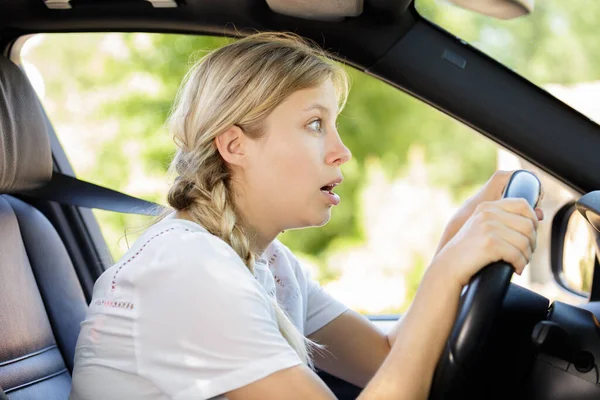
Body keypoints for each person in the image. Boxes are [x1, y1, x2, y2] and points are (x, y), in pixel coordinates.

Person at [69, 32, 544, 400]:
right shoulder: (189, 269)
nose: (342, 152)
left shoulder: (266, 262)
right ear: (235, 146)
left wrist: (453, 236)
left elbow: (384, 358)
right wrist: (447, 272)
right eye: (315, 124)